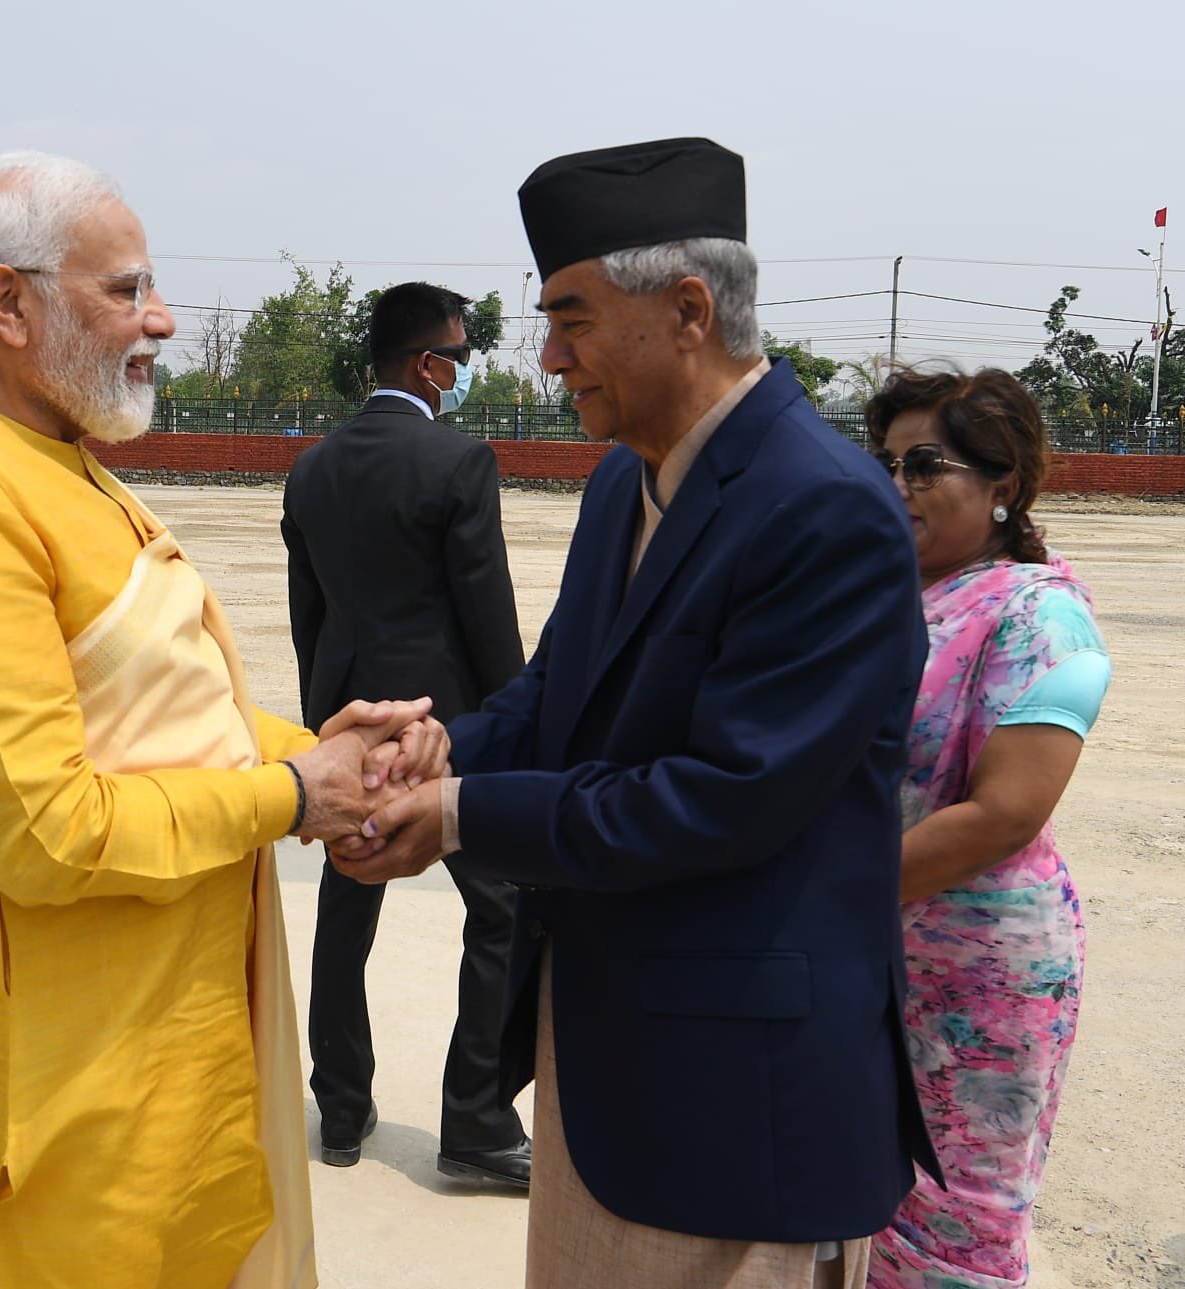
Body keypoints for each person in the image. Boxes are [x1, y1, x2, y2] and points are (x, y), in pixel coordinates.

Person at [0, 152, 442, 1289]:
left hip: (152, 1059)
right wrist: (297, 795)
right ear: (8, 303)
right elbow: (44, 827)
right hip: (36, 1101)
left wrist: (331, 751)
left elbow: (158, 710)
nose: (161, 319)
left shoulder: (62, 467)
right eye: (126, 288)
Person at [335, 137, 942, 1289]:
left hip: (737, 1106)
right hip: (608, 1062)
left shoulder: (826, 510)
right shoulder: (625, 475)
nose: (550, 356)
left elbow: (722, 799)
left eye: (571, 317)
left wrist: (456, 812)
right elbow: (560, 694)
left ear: (687, 309)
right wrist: (435, 744)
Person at [862, 370, 1110, 1289]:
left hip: (980, 970)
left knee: (959, 1222)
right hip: (879, 945)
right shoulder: (892, 599)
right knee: (872, 1205)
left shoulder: (1039, 613)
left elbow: (1006, 813)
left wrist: (827, 896)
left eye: (925, 464)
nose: (898, 486)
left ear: (1004, 483)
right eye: (885, 463)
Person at [282, 282, 532, 1184]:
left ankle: (342, 1110)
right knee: (500, 911)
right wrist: (508, 731)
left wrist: (333, 735)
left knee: (345, 913)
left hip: (352, 731)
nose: (462, 370)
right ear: (429, 363)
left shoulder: (310, 469)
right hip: (444, 736)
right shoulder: (461, 461)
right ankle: (475, 1121)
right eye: (460, 356)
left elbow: (309, 618)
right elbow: (486, 613)